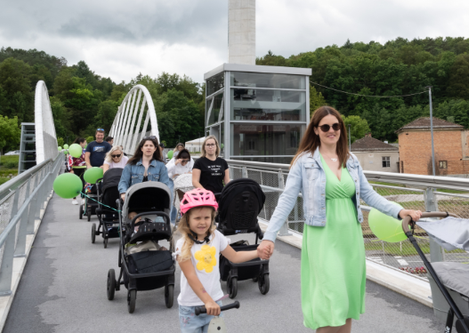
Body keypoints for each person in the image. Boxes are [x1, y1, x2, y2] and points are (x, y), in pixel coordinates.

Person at [257, 106, 422, 333]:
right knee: (330, 300)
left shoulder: (350, 159)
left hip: (350, 238)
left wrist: (399, 211)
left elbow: (369, 194)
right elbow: (286, 200)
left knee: (346, 301)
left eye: (336, 126)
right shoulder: (304, 162)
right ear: (316, 130)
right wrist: (269, 236)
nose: (331, 130)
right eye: (325, 126)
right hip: (323, 237)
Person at [175, 188, 262, 333]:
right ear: (187, 219)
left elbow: (234, 256)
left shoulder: (217, 236)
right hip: (191, 307)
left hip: (214, 303)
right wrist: (207, 301)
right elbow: (191, 276)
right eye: (197, 218)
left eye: (207, 218)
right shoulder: (182, 244)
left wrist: (257, 252)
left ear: (212, 217)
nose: (203, 222)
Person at [68, 136, 87, 206]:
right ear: (81, 143)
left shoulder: (84, 150)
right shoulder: (73, 150)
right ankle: (74, 198)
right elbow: (70, 160)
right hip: (75, 168)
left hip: (83, 168)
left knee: (83, 183)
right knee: (75, 184)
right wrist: (70, 169)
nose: (85, 144)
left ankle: (83, 198)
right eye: (85, 143)